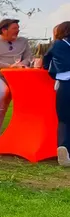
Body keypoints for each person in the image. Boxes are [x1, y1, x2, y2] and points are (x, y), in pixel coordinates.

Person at [0, 18, 32, 143]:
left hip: (16, 77)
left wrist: (20, 65)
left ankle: (18, 138)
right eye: (14, 28)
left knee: (22, 102)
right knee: (3, 92)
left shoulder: (23, 42)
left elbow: (29, 58)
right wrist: (9, 66)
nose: (18, 31)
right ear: (4, 30)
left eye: (18, 28)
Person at [43, 21, 70, 167]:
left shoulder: (57, 44)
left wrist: (51, 69)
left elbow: (46, 60)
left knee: (64, 119)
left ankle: (64, 147)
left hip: (65, 84)